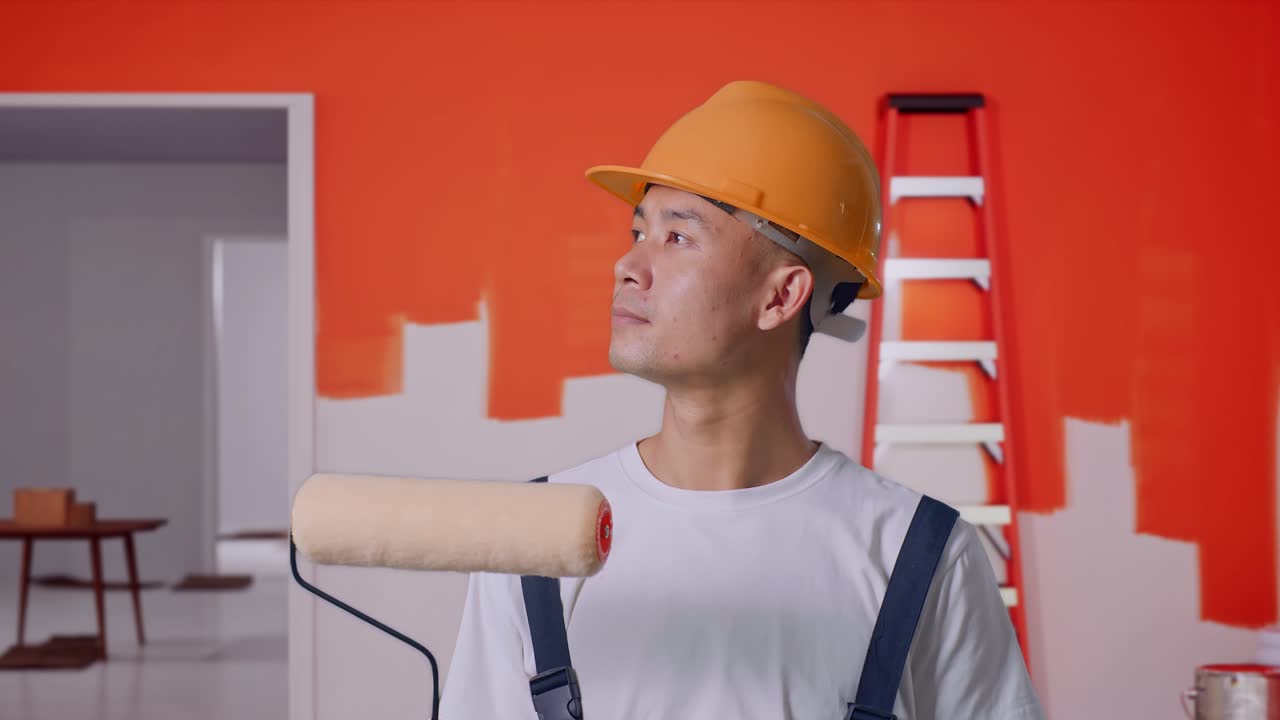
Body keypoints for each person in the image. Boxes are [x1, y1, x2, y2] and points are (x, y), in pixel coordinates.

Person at [440, 80, 1044, 720]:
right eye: (638, 230)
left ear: (781, 297)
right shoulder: (536, 542)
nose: (628, 264)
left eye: (677, 238)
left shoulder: (918, 554)